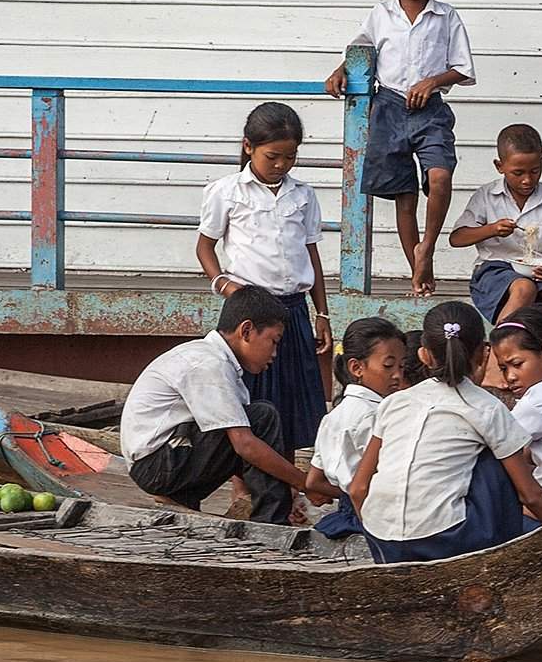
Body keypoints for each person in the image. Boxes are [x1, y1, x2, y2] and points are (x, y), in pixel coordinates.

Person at [348, 302, 542, 564]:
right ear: (484, 354)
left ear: (424, 355)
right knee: (493, 457)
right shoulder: (486, 407)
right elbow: (531, 494)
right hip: (443, 540)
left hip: (381, 538)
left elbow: (358, 488)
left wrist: (381, 537)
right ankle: (497, 558)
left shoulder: (395, 402)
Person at [328, 0, 474, 297]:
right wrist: (341, 69)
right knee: (404, 197)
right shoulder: (381, 15)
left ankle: (428, 245)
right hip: (389, 109)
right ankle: (419, 271)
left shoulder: (446, 16)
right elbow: (359, 49)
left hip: (430, 110)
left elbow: (462, 68)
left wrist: (432, 81)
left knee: (440, 178)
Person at [121, 284, 323, 526]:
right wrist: (304, 483)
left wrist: (283, 485)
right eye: (273, 341)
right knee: (262, 417)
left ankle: (273, 514)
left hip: (168, 459)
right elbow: (244, 445)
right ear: (246, 330)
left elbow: (239, 452)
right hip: (157, 466)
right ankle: (272, 523)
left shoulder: (221, 364)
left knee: (253, 421)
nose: (275, 353)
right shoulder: (208, 364)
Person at [195, 101, 330, 450]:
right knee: (250, 397)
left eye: (290, 156)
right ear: (248, 147)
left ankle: (286, 485)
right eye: (272, 156)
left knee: (293, 399)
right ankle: (243, 486)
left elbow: (311, 254)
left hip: (295, 309)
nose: (281, 165)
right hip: (251, 313)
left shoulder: (303, 194)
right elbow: (205, 248)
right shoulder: (226, 192)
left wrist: (323, 314)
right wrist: (226, 287)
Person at [449, 123, 542, 325]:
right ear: (499, 166)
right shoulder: (486, 196)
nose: (527, 180)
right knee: (524, 288)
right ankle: (502, 347)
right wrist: (491, 229)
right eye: (518, 173)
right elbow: (457, 238)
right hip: (495, 269)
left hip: (539, 271)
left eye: (535, 171)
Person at [305, 316, 408, 539]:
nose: (398, 375)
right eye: (388, 366)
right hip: (369, 516)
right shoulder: (375, 417)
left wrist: (345, 494)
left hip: (343, 514)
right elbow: (369, 485)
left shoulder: (333, 415)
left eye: (402, 366)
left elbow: (313, 481)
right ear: (357, 368)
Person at [488, 305, 542, 497]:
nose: (510, 376)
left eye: (517, 364)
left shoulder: (537, 401)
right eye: (503, 368)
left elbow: (494, 446)